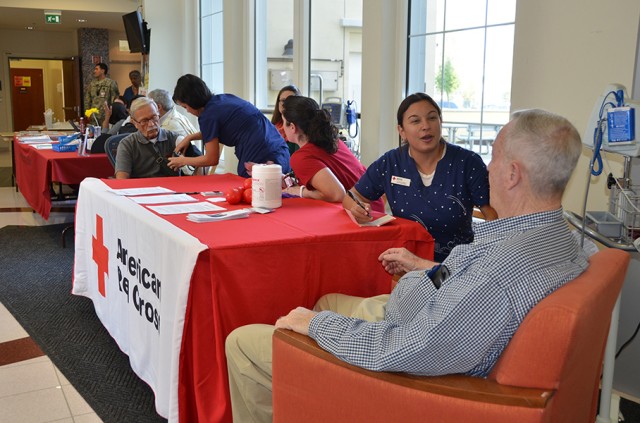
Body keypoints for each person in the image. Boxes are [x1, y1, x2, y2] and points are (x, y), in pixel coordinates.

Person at [225, 108, 590, 422]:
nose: (488, 167)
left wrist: (317, 326)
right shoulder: (563, 237)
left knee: (242, 342)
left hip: (408, 369)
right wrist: (422, 270)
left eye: (494, 157)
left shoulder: (496, 276)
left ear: (512, 175)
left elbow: (407, 349)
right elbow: (454, 289)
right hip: (419, 313)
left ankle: (312, 394)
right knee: (325, 300)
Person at [343, 93, 497, 262]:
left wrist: (486, 256)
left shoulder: (467, 162)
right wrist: (356, 208)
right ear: (401, 131)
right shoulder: (391, 163)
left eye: (432, 118)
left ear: (440, 122)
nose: (426, 126)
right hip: (406, 262)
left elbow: (494, 216)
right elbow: (351, 197)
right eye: (415, 121)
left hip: (455, 266)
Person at [168, 74, 291, 178]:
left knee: (258, 194)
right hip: (276, 145)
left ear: (192, 101)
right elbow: (217, 130)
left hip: (260, 153)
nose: (187, 111)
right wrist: (189, 137)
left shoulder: (208, 116)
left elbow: (211, 159)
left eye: (185, 107)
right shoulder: (223, 99)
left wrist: (183, 161)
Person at [279, 95, 383, 210]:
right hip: (375, 206)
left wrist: (301, 191)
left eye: (283, 122)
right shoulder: (333, 141)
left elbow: (337, 194)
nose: (282, 127)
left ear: (292, 127)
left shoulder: (301, 157)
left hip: (361, 213)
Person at [114, 97, 197, 179]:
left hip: (171, 189)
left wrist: (187, 162)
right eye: (144, 121)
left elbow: (202, 164)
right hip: (141, 189)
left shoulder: (175, 139)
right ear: (134, 122)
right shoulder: (127, 144)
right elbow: (122, 180)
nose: (151, 124)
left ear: (159, 114)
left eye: (154, 117)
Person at [271, 85, 301, 156]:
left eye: (291, 100)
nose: (286, 104)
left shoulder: (301, 129)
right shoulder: (271, 128)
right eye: (283, 100)